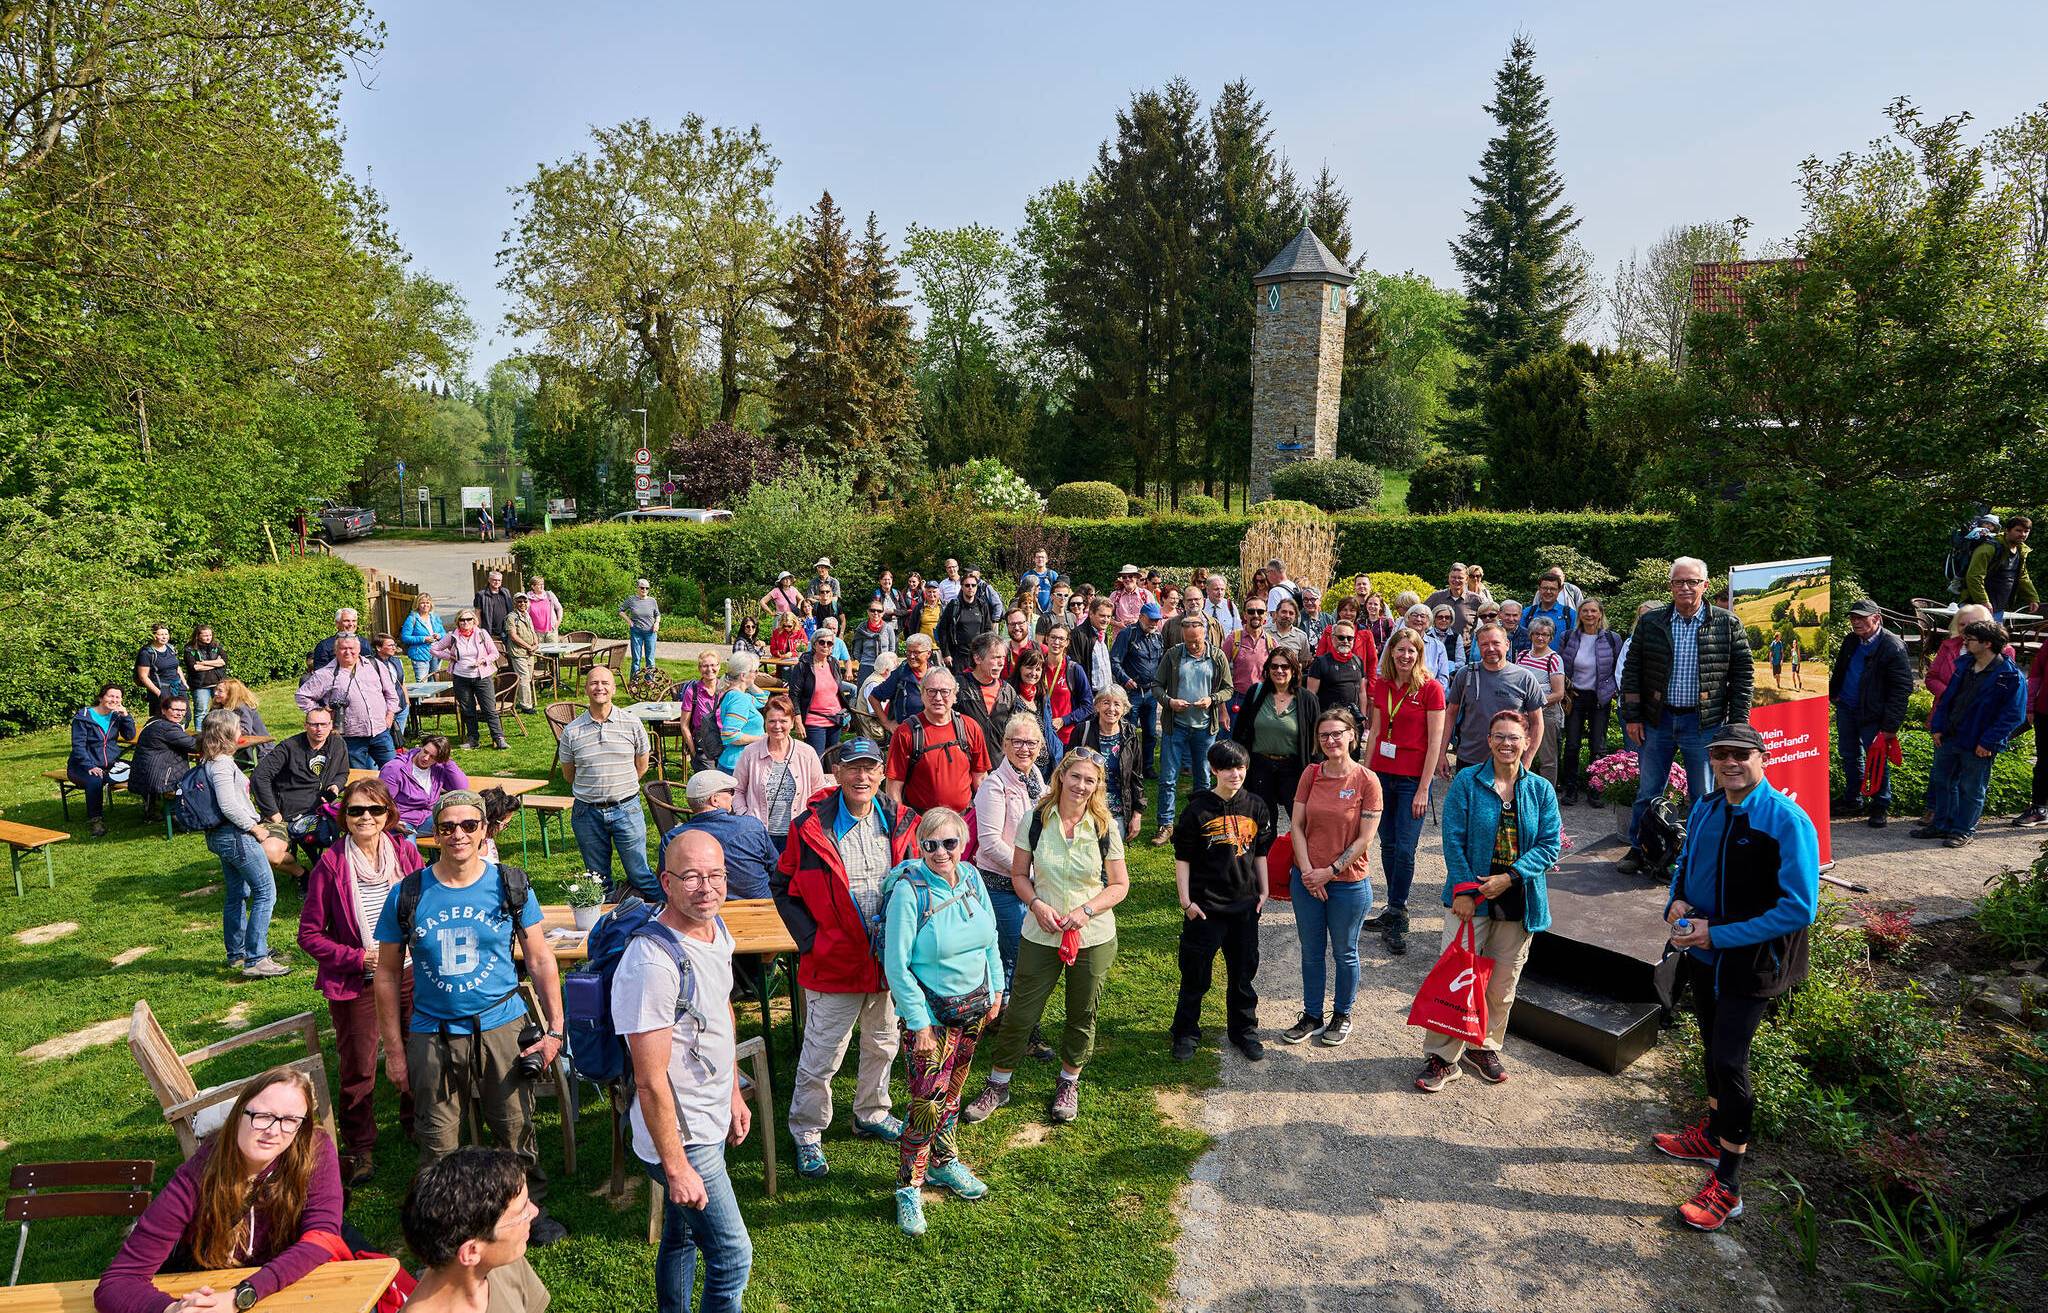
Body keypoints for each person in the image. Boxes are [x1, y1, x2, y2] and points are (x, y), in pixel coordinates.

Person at [376, 789, 568, 1247]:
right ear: (435, 833)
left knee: (515, 1125)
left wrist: (555, 1029)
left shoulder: (510, 883)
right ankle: (444, 1226)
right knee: (438, 1137)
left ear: (485, 830)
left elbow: (541, 960)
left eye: (468, 825)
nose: (458, 835)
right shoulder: (410, 892)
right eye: (447, 827)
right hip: (432, 1032)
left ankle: (526, 1210)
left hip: (501, 1025)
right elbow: (385, 976)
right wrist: (395, 1051)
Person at [1656, 722, 1820, 1232]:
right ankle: (1711, 1133)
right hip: (1704, 954)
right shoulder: (1706, 806)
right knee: (1710, 1047)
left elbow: (1798, 908)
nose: (1729, 762)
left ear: (1761, 757)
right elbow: (1685, 862)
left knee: (1730, 1061)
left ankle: (1729, 1184)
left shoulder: (1786, 820)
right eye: (1720, 753)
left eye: (1740, 754)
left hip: (1753, 962)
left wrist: (1716, 934)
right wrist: (1676, 901)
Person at [616, 829, 754, 1312]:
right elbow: (650, 1080)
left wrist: (734, 1091)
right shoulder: (651, 962)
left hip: (709, 1114)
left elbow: (720, 1012)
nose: (707, 887)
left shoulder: (717, 930)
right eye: (692, 876)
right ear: (666, 882)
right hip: (682, 1135)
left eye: (716, 875)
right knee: (733, 1255)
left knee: (682, 1237)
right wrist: (676, 1167)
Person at [962, 748, 1130, 1125]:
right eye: (1076, 777)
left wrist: (1086, 911)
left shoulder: (1105, 827)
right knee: (1020, 1012)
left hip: (1093, 936)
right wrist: (1037, 905)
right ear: (1061, 777)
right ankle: (998, 1083)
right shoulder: (1035, 819)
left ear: (1098, 785)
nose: (1081, 786)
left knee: (1082, 1013)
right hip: (1040, 931)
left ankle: (1069, 1080)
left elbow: (1119, 885)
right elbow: (1019, 875)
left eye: (1090, 780)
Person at [774, 738, 914, 1178]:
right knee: (823, 1054)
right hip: (834, 961)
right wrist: (811, 940)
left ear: (879, 774)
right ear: (837, 773)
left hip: (887, 961)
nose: (862, 776)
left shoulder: (900, 821)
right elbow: (783, 885)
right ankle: (807, 1131)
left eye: (871, 768)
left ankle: (871, 1111)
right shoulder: (810, 826)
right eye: (853, 768)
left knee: (883, 1042)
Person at [95, 1069, 343, 1313]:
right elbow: (118, 1280)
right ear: (238, 1115)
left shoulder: (314, 1150)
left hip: (288, 1286)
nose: (273, 1131)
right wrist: (173, 1309)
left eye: (289, 1121)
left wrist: (244, 1295)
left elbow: (322, 1236)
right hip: (211, 1287)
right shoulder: (199, 1174)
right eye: (262, 1115)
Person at [1415, 710, 1560, 1092]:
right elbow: (1453, 838)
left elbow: (1550, 845)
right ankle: (1444, 1056)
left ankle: (1484, 1046)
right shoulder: (1467, 781)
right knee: (1456, 978)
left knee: (1501, 984)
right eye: (1499, 736)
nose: (1507, 744)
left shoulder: (1541, 790)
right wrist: (1465, 890)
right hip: (1470, 899)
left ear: (1527, 742)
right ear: (1489, 740)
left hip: (1519, 897)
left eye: (1514, 737)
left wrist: (1510, 877)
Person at [880, 808, 1005, 1234]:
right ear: (920, 846)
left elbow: (990, 938)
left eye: (949, 843)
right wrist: (919, 1024)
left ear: (963, 843)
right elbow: (896, 966)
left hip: (973, 1009)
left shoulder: (972, 878)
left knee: (951, 1095)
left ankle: (944, 1162)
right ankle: (908, 1187)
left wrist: (997, 991)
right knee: (925, 1106)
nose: (940, 852)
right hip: (931, 1019)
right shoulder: (909, 892)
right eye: (930, 844)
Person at [298, 777, 424, 1185]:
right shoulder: (331, 864)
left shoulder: (405, 853)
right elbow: (310, 934)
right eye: (356, 810)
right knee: (359, 1067)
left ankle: (415, 1123)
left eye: (374, 810)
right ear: (344, 817)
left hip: (407, 974)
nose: (365, 817)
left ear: (389, 814)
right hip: (360, 982)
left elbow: (427, 904)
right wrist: (357, 957)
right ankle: (361, 1147)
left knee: (416, 1052)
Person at [1618, 558, 1754, 875]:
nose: (1685, 587)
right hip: (1657, 720)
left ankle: (1694, 856)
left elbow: (1743, 676)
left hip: (1703, 723)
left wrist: (1735, 727)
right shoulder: (1652, 622)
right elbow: (1632, 673)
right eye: (1679, 582)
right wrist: (1633, 717)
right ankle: (1639, 849)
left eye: (1692, 582)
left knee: (1702, 795)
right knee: (1648, 791)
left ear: (1704, 585)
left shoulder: (1727, 623)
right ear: (1670, 586)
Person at [1283, 707, 1383, 1048]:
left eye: (1337, 733)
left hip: (1348, 884)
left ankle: (1342, 1014)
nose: (1331, 740)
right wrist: (1309, 872)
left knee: (1345, 951)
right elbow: (1296, 825)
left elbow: (1364, 839)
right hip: (1307, 879)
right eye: (1324, 735)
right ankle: (1312, 1015)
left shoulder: (1367, 781)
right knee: (1311, 951)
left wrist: (1330, 872)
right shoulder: (1311, 774)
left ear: (1352, 735)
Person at [1169, 739, 1272, 1063]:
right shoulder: (1197, 810)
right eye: (1228, 768)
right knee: (1196, 975)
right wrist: (1186, 902)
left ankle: (1243, 1030)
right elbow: (1182, 858)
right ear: (1214, 769)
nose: (1235, 774)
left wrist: (1264, 890)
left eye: (1240, 767)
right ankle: (1186, 1032)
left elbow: (1262, 852)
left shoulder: (1256, 806)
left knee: (1243, 974)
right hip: (1204, 909)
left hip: (1244, 907)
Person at [1363, 627, 1445, 955]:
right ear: (1391, 653)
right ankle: (1393, 907)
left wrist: (1424, 788)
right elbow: (1377, 731)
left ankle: (1399, 912)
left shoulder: (1431, 689)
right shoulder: (1382, 685)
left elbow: (1436, 743)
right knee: (1389, 844)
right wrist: (1365, 775)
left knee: (1406, 849)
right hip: (1382, 776)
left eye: (1412, 651)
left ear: (1419, 654)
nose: (1405, 656)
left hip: (1412, 780)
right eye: (1400, 650)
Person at [195, 710, 291, 977]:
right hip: (237, 835)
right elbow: (228, 805)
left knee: (238, 894)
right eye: (238, 727)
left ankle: (238, 954)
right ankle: (256, 959)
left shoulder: (209, 761)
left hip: (221, 836)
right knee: (265, 892)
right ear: (227, 733)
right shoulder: (223, 764)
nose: (242, 732)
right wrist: (255, 828)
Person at [1916, 619, 2027, 848]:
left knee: (1971, 788)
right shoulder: (1965, 665)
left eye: (1970, 639)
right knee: (1943, 782)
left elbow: (2013, 715)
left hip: (1979, 743)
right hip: (1950, 736)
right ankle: (1942, 825)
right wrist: (1937, 727)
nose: (1964, 642)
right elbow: (1947, 700)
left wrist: (1989, 742)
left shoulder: (2010, 676)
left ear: (1987, 643)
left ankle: (1962, 830)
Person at [400, 1149, 550, 1313]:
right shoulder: (496, 1255)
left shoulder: (499, 1258)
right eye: (521, 1211)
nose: (534, 1212)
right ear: (471, 1252)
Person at [972, 715, 1050, 1022]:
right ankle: (1017, 1024)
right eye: (1016, 741)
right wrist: (1028, 872)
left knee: (1016, 955)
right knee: (1017, 953)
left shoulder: (1036, 779)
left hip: (1028, 882)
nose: (1024, 749)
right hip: (1001, 885)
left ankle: (1003, 1016)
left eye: (1031, 743)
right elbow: (990, 843)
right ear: (1005, 745)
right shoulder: (994, 786)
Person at [556, 665, 657, 902]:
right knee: (597, 879)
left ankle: (665, 917)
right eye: (593, 683)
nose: (599, 687)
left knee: (640, 873)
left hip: (627, 809)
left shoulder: (632, 723)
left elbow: (641, 766)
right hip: (587, 813)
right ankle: (606, 928)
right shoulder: (572, 731)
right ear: (586, 690)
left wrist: (619, 786)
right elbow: (569, 775)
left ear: (613, 688)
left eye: (604, 683)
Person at [1827, 599, 1915, 828]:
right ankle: (1853, 798)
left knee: (1876, 758)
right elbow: (1841, 669)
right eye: (1853, 618)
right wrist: (1834, 693)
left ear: (1877, 618)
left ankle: (1880, 804)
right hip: (1847, 707)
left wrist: (1890, 727)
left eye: (1861, 618)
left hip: (1873, 714)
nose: (1856, 622)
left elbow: (1902, 689)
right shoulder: (1851, 641)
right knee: (1848, 754)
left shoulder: (1892, 646)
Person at [1152, 613, 1232, 845]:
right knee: (1168, 778)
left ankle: (1201, 822)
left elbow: (1228, 688)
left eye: (1196, 640)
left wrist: (1212, 699)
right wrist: (1169, 702)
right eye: (1188, 641)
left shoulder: (1216, 657)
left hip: (1205, 728)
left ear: (1204, 634)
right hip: (1175, 726)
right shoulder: (1174, 655)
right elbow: (1157, 686)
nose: (1193, 645)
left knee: (1204, 778)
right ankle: (1165, 825)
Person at [1231, 646, 1320, 843]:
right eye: (1274, 666)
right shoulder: (1256, 693)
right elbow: (1240, 732)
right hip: (1260, 766)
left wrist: (1315, 771)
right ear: (1268, 669)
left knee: (1299, 821)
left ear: (1294, 670)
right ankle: (1265, 866)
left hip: (1293, 768)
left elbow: (1317, 741)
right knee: (1263, 822)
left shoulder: (1307, 700)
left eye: (1285, 667)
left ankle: (1300, 866)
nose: (1279, 671)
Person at [1440, 623, 1546, 787]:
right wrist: (1441, 753)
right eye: (1484, 644)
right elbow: (1450, 714)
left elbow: (1537, 722)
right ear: (1478, 647)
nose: (1490, 648)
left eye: (1496, 643)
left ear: (1507, 644)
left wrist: (1526, 760)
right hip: (1470, 760)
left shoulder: (1525, 678)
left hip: (1510, 761)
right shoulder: (1465, 675)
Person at [251, 706, 348, 873]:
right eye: (314, 724)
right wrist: (273, 812)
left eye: (324, 724)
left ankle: (339, 874)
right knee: (270, 853)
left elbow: (342, 772)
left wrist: (336, 786)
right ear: (305, 725)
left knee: (361, 826)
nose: (319, 729)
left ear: (331, 725)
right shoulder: (289, 747)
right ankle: (302, 874)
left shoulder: (337, 744)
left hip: (321, 812)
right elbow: (259, 777)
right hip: (285, 816)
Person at [885, 668, 991, 813]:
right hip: (921, 822)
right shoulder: (906, 733)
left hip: (964, 819)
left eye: (945, 691)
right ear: (922, 695)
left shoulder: (970, 727)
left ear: (955, 696)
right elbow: (893, 787)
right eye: (931, 691)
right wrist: (901, 823)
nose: (938, 698)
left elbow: (980, 778)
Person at [734, 694, 826, 854]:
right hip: (759, 836)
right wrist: (745, 816)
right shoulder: (751, 752)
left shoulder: (806, 753)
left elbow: (819, 792)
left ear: (792, 722)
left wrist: (811, 820)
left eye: (783, 721)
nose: (777, 726)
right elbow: (736, 790)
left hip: (798, 835)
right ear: (765, 723)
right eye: (772, 721)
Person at [666, 769, 778, 900]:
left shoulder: (673, 838)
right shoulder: (752, 826)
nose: (733, 796)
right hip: (759, 908)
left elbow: (668, 886)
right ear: (714, 800)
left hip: (700, 909)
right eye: (731, 792)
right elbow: (777, 869)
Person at [297, 634, 402, 768]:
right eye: (343, 648)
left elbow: (391, 694)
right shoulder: (326, 674)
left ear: (358, 649)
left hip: (381, 732)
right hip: (352, 737)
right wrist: (321, 714)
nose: (348, 652)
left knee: (395, 772)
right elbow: (302, 696)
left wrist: (390, 715)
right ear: (336, 651)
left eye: (351, 648)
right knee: (358, 782)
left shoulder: (374, 665)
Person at [1558, 599, 1624, 805]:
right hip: (1575, 697)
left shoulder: (1612, 639)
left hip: (1599, 697)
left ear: (1600, 614)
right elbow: (1561, 664)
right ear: (1579, 614)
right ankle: (1571, 788)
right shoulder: (1568, 637)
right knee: (1572, 745)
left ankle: (1596, 789)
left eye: (1593, 611)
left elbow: (1618, 667)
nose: (1589, 614)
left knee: (1598, 746)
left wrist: (1612, 690)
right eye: (1585, 611)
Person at [1074, 684, 1146, 842]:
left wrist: (1137, 815)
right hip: (1085, 809)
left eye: (1117, 704)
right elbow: (1067, 771)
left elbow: (1136, 777)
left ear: (1124, 709)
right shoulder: (1082, 731)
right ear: (1097, 705)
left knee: (1112, 861)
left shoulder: (1130, 734)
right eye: (1106, 702)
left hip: (1117, 813)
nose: (1111, 708)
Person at [431, 609, 505, 752]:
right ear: (457, 622)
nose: (465, 622)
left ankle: (498, 738)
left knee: (489, 708)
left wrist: (483, 660)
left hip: (482, 676)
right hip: (461, 677)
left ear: (474, 621)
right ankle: (473, 739)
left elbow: (494, 653)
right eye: (462, 620)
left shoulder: (482, 634)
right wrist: (449, 656)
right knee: (467, 709)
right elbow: (434, 649)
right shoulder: (452, 636)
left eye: (469, 619)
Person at [65, 684, 134, 838]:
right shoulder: (84, 717)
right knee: (95, 780)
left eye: (118, 697)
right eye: (111, 696)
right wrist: (89, 765)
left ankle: (151, 809)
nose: (114, 700)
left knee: (142, 768)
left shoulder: (116, 715)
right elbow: (78, 745)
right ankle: (96, 820)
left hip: (110, 763)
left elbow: (130, 736)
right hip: (81, 766)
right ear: (101, 697)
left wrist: (126, 716)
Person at [1110, 602, 1166, 772]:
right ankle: (1129, 766)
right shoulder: (1128, 634)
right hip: (1131, 692)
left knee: (1150, 732)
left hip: (1150, 692)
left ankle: (1147, 766)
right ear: (1141, 617)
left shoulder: (1157, 637)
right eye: (1151, 620)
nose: (1154, 623)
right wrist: (1124, 678)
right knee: (1129, 732)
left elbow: (1161, 662)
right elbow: (1115, 660)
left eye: (1157, 620)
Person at [379, 735, 470, 833]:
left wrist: (447, 761)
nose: (426, 758)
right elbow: (381, 801)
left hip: (427, 817)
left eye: (433, 757)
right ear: (421, 747)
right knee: (407, 847)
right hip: (401, 820)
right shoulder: (395, 768)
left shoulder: (438, 768)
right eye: (425, 752)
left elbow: (461, 788)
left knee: (463, 828)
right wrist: (392, 822)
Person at [783, 626, 850, 757]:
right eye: (821, 642)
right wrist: (798, 721)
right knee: (816, 760)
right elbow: (794, 695)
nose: (825, 645)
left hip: (835, 719)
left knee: (832, 762)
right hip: (814, 720)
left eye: (829, 643)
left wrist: (845, 716)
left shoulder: (833, 663)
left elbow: (837, 692)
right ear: (814, 644)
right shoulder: (803, 666)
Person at [1517, 617, 1567, 787]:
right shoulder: (1522, 656)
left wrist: (1534, 703)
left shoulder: (1554, 659)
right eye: (1537, 634)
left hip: (1546, 713)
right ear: (1531, 635)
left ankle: (1547, 796)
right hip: (1521, 713)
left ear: (1551, 638)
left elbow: (1558, 693)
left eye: (1545, 635)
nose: (1540, 638)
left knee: (1548, 758)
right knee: (1520, 753)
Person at [132, 693, 198, 823]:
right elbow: (194, 746)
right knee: (198, 780)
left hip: (144, 774)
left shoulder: (154, 722)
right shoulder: (167, 728)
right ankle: (178, 816)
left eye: (182, 710)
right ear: (164, 710)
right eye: (175, 710)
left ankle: (153, 810)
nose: (179, 713)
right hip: (159, 778)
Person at [1925, 603, 2010, 702]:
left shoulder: (2003, 651)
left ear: (1986, 625)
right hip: (1945, 708)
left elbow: (2003, 688)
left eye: (1972, 624)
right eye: (1962, 624)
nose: (1966, 628)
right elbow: (1931, 677)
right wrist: (1948, 695)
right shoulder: (1948, 646)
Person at [1963, 514, 2036, 620]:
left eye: (2026, 531)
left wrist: (2032, 597)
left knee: (1993, 637)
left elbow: (2022, 576)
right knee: (1972, 636)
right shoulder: (1988, 548)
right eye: (2018, 530)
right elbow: (1974, 576)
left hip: (1998, 608)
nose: (2023, 534)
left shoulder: (2021, 551)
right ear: (2007, 530)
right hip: (1976, 606)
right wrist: (1983, 601)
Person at [956, 631, 1021, 750]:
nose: (1001, 663)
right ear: (977, 658)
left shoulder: (1008, 692)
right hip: (967, 762)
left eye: (1003, 657)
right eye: (996, 657)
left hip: (998, 764)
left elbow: (1013, 732)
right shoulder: (958, 687)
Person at [1037, 622, 1095, 747]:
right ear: (1047, 638)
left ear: (1067, 642)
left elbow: (1088, 706)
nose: (1056, 642)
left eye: (1061, 639)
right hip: (1040, 735)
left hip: (1066, 737)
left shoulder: (1074, 669)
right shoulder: (1038, 667)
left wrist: (1064, 720)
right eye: (1053, 637)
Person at [870, 633, 933, 734]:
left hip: (932, 732)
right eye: (908, 652)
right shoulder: (900, 674)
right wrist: (886, 723)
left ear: (928, 654)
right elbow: (873, 697)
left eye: (916, 652)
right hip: (907, 734)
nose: (911, 656)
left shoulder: (936, 674)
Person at [1306, 619, 1372, 716]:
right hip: (1328, 721)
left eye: (1349, 638)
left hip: (1353, 722)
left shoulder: (1358, 661)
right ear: (1333, 639)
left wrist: (1363, 716)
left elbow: (1362, 692)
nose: (1345, 641)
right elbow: (1311, 695)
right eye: (1341, 637)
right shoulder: (1320, 663)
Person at [935, 568, 996, 671]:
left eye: (973, 585)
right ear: (962, 587)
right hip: (958, 656)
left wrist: (986, 651)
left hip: (977, 655)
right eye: (967, 585)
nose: (970, 588)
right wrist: (946, 653)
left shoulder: (982, 605)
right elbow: (943, 630)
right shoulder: (954, 605)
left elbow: (987, 630)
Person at [714, 653, 766, 772]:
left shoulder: (736, 694)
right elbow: (730, 735)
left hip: (737, 762)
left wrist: (750, 682)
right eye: (755, 671)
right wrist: (762, 739)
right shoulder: (739, 699)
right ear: (743, 675)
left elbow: (762, 700)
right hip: (738, 765)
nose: (757, 674)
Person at [1222, 600, 1270, 720]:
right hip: (1237, 699)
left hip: (1262, 699)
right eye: (1251, 611)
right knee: (1232, 738)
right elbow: (1219, 671)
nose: (1255, 615)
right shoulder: (1233, 639)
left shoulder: (1271, 643)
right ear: (1245, 615)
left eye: (1260, 611)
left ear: (1265, 615)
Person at [1071, 597, 1115, 702]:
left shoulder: (1103, 633)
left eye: (1109, 616)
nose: (1106, 620)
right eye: (1102, 616)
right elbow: (1076, 668)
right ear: (1091, 614)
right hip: (1089, 695)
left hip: (1105, 693)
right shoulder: (1078, 634)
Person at [1426, 563, 1481, 647]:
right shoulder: (1436, 597)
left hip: (1465, 649)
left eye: (1460, 578)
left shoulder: (1475, 600)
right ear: (1449, 578)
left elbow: (1489, 618)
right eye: (1453, 577)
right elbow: (1422, 614)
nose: (1456, 580)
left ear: (1466, 579)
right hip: (1438, 647)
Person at [181, 624, 227, 723]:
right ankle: (199, 734)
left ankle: (220, 731)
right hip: (200, 685)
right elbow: (194, 667)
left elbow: (223, 662)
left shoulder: (216, 646)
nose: (208, 637)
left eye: (210, 635)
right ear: (198, 636)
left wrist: (203, 663)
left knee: (221, 709)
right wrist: (216, 664)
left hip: (218, 682)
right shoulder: (190, 649)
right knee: (201, 711)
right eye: (205, 635)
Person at [372, 634, 413, 743]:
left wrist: (407, 702)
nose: (394, 647)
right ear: (379, 648)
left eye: (394, 645)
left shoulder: (397, 661)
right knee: (385, 742)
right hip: (384, 710)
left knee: (397, 739)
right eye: (390, 645)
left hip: (402, 707)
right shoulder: (371, 664)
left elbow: (402, 683)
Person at [848, 596, 897, 684]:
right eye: (872, 610)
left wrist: (887, 662)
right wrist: (864, 661)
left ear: (883, 613)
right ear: (868, 612)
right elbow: (856, 651)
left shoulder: (888, 628)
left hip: (884, 667)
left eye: (879, 611)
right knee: (863, 693)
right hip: (866, 666)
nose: (875, 613)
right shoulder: (862, 628)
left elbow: (892, 649)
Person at [506, 594, 540, 714]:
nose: (522, 604)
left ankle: (521, 701)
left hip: (530, 652)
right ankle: (526, 706)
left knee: (529, 678)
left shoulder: (527, 615)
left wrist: (535, 644)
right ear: (515, 603)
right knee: (524, 678)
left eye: (525, 601)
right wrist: (528, 646)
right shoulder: (511, 617)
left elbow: (533, 631)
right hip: (518, 652)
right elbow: (513, 636)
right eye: (519, 601)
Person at [620, 578, 662, 678]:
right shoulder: (631, 600)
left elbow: (658, 614)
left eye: (647, 588)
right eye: (642, 588)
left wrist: (657, 623)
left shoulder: (652, 601)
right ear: (638, 588)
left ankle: (649, 680)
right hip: (636, 632)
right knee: (636, 658)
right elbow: (621, 611)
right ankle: (635, 681)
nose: (644, 590)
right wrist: (629, 621)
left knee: (650, 658)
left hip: (650, 632)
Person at [1523, 568, 1576, 641]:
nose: (1548, 592)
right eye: (1545, 588)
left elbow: (1575, 642)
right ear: (1539, 589)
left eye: (1553, 589)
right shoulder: (1527, 613)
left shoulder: (1570, 614)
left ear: (1559, 590)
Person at [402, 595, 447, 681]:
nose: (425, 605)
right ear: (417, 604)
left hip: (436, 654)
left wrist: (439, 635)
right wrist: (423, 639)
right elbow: (405, 637)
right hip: (420, 655)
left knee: (435, 682)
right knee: (422, 683)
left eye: (427, 602)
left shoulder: (434, 617)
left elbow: (443, 633)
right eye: (422, 603)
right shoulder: (412, 618)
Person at [1263, 596, 1312, 665]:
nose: (1287, 616)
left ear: (1295, 617)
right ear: (1276, 614)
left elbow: (1304, 662)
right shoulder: (1263, 632)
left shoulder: (1301, 637)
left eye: (1291, 613)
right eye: (1284, 612)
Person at [474, 570, 515, 646]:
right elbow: (477, 613)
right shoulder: (481, 595)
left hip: (506, 630)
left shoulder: (505, 592)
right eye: (494, 580)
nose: (497, 582)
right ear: (489, 580)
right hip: (490, 632)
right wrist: (479, 630)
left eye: (499, 580)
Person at [523, 573, 564, 643]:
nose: (542, 586)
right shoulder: (527, 598)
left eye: (543, 584)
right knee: (539, 653)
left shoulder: (549, 595)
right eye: (539, 584)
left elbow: (559, 608)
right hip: (536, 633)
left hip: (551, 631)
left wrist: (558, 621)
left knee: (553, 652)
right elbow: (524, 614)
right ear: (533, 586)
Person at [1019, 547, 1060, 612]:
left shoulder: (1053, 575)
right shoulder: (1027, 575)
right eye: (1037, 557)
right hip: (1032, 611)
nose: (1040, 559)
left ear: (1046, 559)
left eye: (1042, 557)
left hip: (1050, 612)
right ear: (1034, 559)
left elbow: (1059, 593)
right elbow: (1021, 595)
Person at [1203, 572, 1243, 637]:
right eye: (1216, 589)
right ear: (1207, 590)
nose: (1220, 592)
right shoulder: (1202, 606)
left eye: (1222, 589)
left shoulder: (1230, 606)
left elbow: (1238, 631)